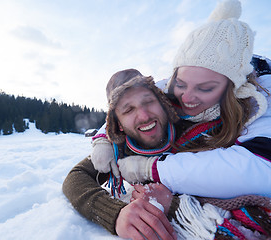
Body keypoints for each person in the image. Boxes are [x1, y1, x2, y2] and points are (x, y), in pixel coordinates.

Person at [62, 68, 271, 239]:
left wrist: (175, 205)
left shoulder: (198, 125)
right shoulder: (121, 149)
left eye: (148, 101)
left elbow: (243, 181)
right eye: (128, 110)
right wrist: (115, 214)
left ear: (163, 104)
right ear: (119, 125)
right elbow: (76, 177)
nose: (144, 116)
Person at [91, 0, 271, 198]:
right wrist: (103, 139)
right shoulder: (170, 86)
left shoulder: (262, 96)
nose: (186, 97)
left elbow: (260, 169)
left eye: (206, 88)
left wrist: (155, 169)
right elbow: (126, 104)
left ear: (234, 88)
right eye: (181, 83)